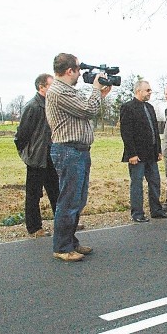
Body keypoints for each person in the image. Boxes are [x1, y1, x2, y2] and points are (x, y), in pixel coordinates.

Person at [45, 53, 111, 262]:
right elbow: (87, 110)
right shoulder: (57, 90)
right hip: (68, 150)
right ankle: (62, 247)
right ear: (69, 71)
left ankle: (70, 241)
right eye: (78, 69)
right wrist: (95, 89)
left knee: (78, 200)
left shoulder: (67, 90)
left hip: (78, 151)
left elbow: (86, 109)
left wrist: (100, 94)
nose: (81, 73)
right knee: (69, 200)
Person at [120, 80, 167, 222]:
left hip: (151, 154)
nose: (150, 92)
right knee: (137, 184)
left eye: (150, 90)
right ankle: (137, 214)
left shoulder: (149, 107)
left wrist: (158, 150)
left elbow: (155, 130)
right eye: (147, 90)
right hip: (137, 155)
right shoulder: (128, 107)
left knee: (155, 182)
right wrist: (132, 154)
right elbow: (126, 133)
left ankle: (156, 210)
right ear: (138, 91)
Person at [14, 73, 59, 238]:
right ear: (42, 87)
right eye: (51, 86)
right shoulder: (33, 106)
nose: (54, 89)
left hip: (51, 156)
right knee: (33, 194)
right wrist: (27, 154)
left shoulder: (51, 105)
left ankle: (62, 223)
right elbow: (21, 135)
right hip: (36, 158)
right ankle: (34, 228)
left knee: (56, 191)